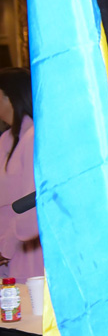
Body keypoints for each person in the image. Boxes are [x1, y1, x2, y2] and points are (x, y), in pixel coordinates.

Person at [0, 68, 42, 282]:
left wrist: (6, 247)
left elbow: (32, 204)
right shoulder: (5, 139)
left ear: (10, 96)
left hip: (27, 251)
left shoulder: (34, 137)